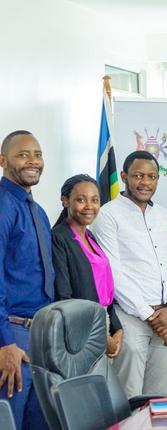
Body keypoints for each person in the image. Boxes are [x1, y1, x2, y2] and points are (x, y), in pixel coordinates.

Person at [92, 150, 167, 398]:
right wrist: (151, 315)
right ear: (124, 176)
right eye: (138, 176)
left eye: (152, 176)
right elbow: (113, 271)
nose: (145, 182)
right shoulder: (107, 214)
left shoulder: (164, 215)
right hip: (133, 318)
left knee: (159, 397)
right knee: (129, 397)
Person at [0, 130, 52, 429]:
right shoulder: (4, 206)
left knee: (40, 422)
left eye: (37, 154)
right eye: (23, 154)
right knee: (12, 421)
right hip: (13, 336)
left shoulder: (38, 211)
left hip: (41, 334)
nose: (33, 161)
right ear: (3, 160)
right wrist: (4, 343)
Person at [52, 174, 123, 358]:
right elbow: (64, 295)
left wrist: (117, 329)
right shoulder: (59, 238)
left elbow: (104, 289)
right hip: (81, 327)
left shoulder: (91, 237)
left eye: (95, 200)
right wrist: (100, 333)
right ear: (65, 201)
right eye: (81, 200)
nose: (89, 206)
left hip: (103, 321)